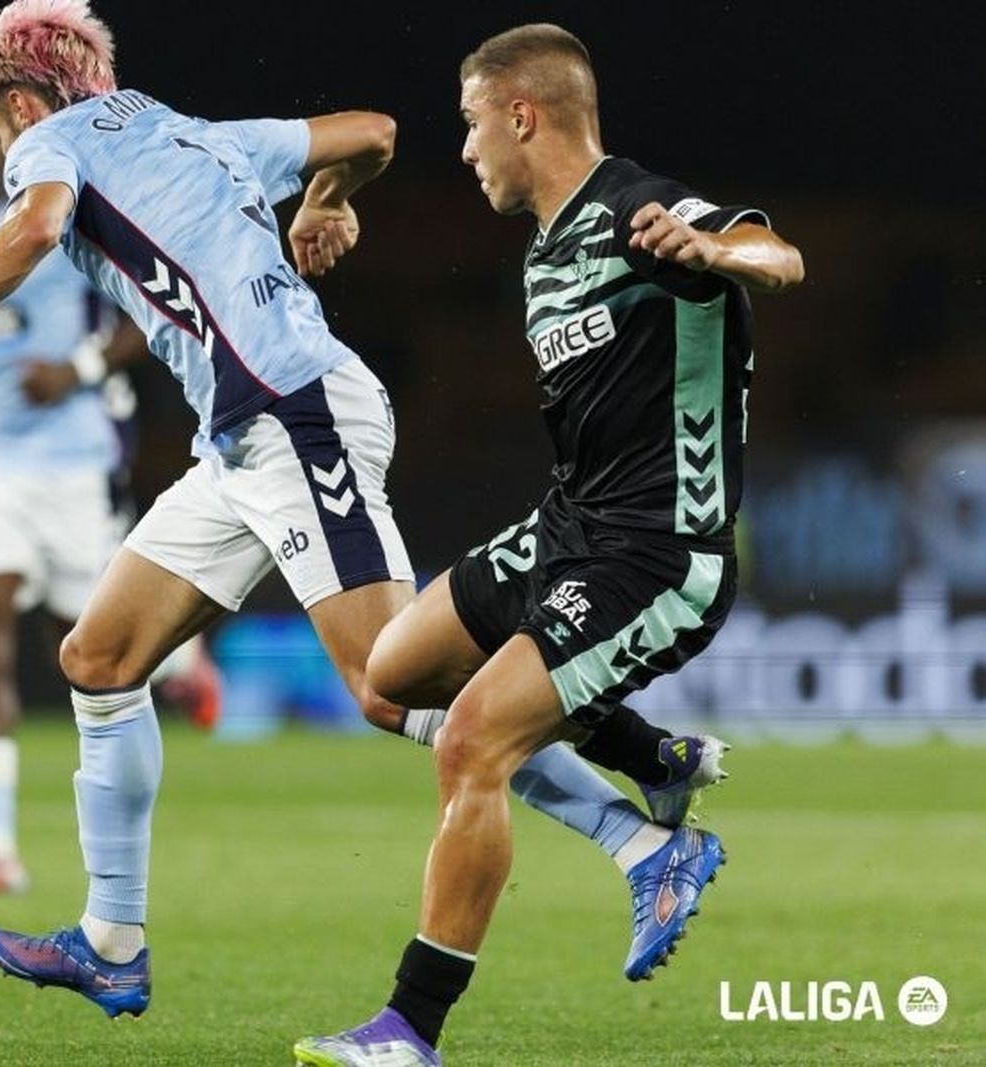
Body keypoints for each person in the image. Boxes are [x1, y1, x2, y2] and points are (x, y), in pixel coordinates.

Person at [0, 0, 716, 1021]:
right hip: (240, 438)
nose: (1, 147)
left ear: (19, 99)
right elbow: (372, 133)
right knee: (98, 658)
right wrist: (322, 197)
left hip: (295, 419)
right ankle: (112, 940)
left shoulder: (47, 142)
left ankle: (644, 833)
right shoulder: (194, 133)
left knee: (386, 683)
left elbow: (34, 225)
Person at [295, 24, 803, 1066]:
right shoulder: (543, 251)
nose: (469, 149)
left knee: (472, 737)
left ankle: (408, 1029)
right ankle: (652, 767)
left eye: (474, 124)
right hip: (570, 526)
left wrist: (719, 254)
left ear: (521, 113)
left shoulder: (639, 212)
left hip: (660, 553)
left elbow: (777, 255)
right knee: (389, 676)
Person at [0, 78, 219, 898]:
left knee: (95, 655)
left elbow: (146, 315)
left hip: (74, 464)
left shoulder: (60, 207)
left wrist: (75, 370)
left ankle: (182, 656)